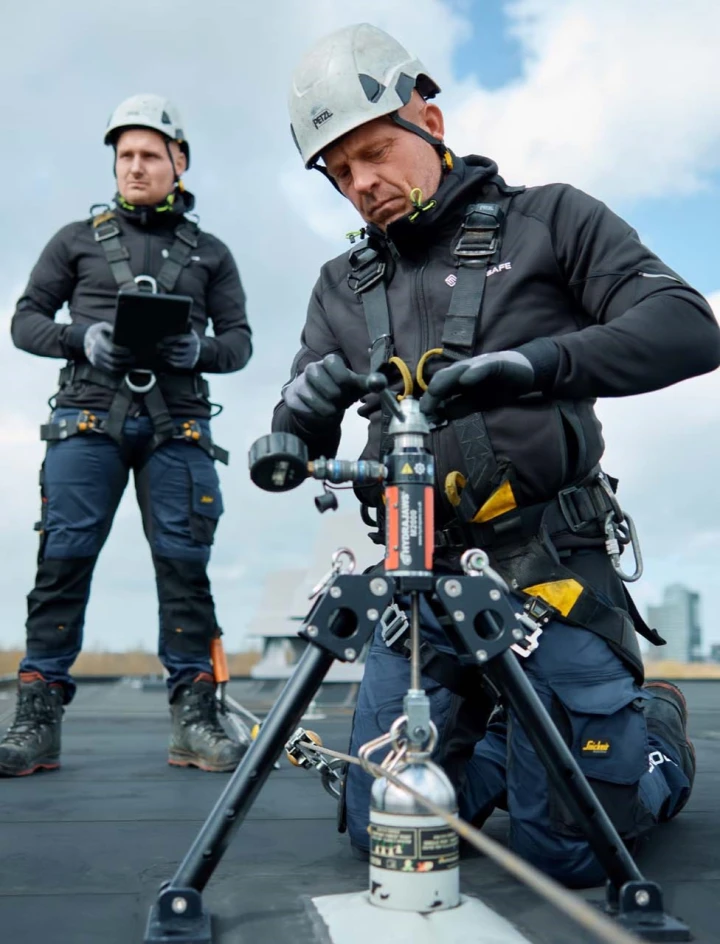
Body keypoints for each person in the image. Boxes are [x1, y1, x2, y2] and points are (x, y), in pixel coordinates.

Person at [272, 23, 720, 886]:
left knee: (574, 854)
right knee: (385, 836)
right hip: (419, 591)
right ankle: (510, 736)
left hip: (545, 572)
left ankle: (650, 726)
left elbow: (689, 329)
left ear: (428, 117)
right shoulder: (340, 286)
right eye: (340, 173)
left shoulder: (552, 219)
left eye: (373, 152)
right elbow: (298, 441)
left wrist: (536, 365)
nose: (363, 184)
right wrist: (300, 409)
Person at [0, 94, 252, 777]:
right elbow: (24, 322)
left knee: (185, 571)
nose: (134, 167)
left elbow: (239, 344)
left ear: (180, 161)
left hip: (180, 430)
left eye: (148, 155)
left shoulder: (213, 254)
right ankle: (36, 722)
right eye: (124, 157)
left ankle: (195, 721)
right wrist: (81, 338)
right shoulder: (73, 242)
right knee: (63, 564)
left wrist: (194, 352)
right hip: (86, 421)